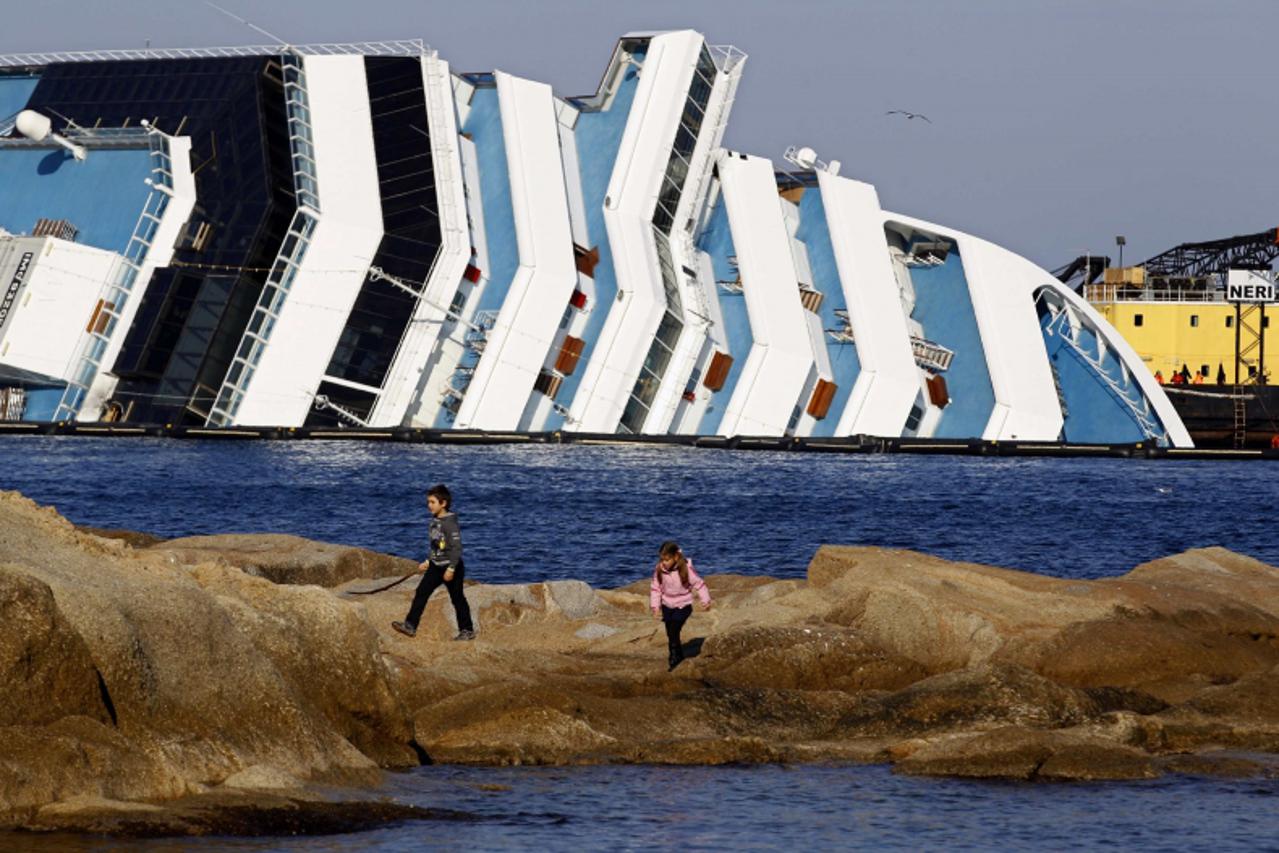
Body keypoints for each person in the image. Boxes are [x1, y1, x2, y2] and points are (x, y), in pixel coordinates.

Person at [393, 484, 475, 641]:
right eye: (428, 502)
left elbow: (456, 548)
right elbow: (436, 546)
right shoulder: (434, 521)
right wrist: (428, 561)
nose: (429, 505)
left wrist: (451, 569)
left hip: (452, 567)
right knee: (421, 593)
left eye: (432, 502)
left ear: (443, 503)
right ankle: (410, 625)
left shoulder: (450, 523)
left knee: (457, 598)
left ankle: (467, 630)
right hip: (436, 566)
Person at [649, 541, 711, 671]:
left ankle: (673, 659)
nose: (664, 562)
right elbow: (656, 588)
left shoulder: (686, 568)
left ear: (676, 557)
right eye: (662, 559)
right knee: (670, 633)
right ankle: (679, 656)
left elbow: (699, 584)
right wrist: (655, 606)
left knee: (673, 631)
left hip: (683, 605)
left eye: (667, 559)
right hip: (667, 605)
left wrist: (705, 600)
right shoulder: (659, 569)